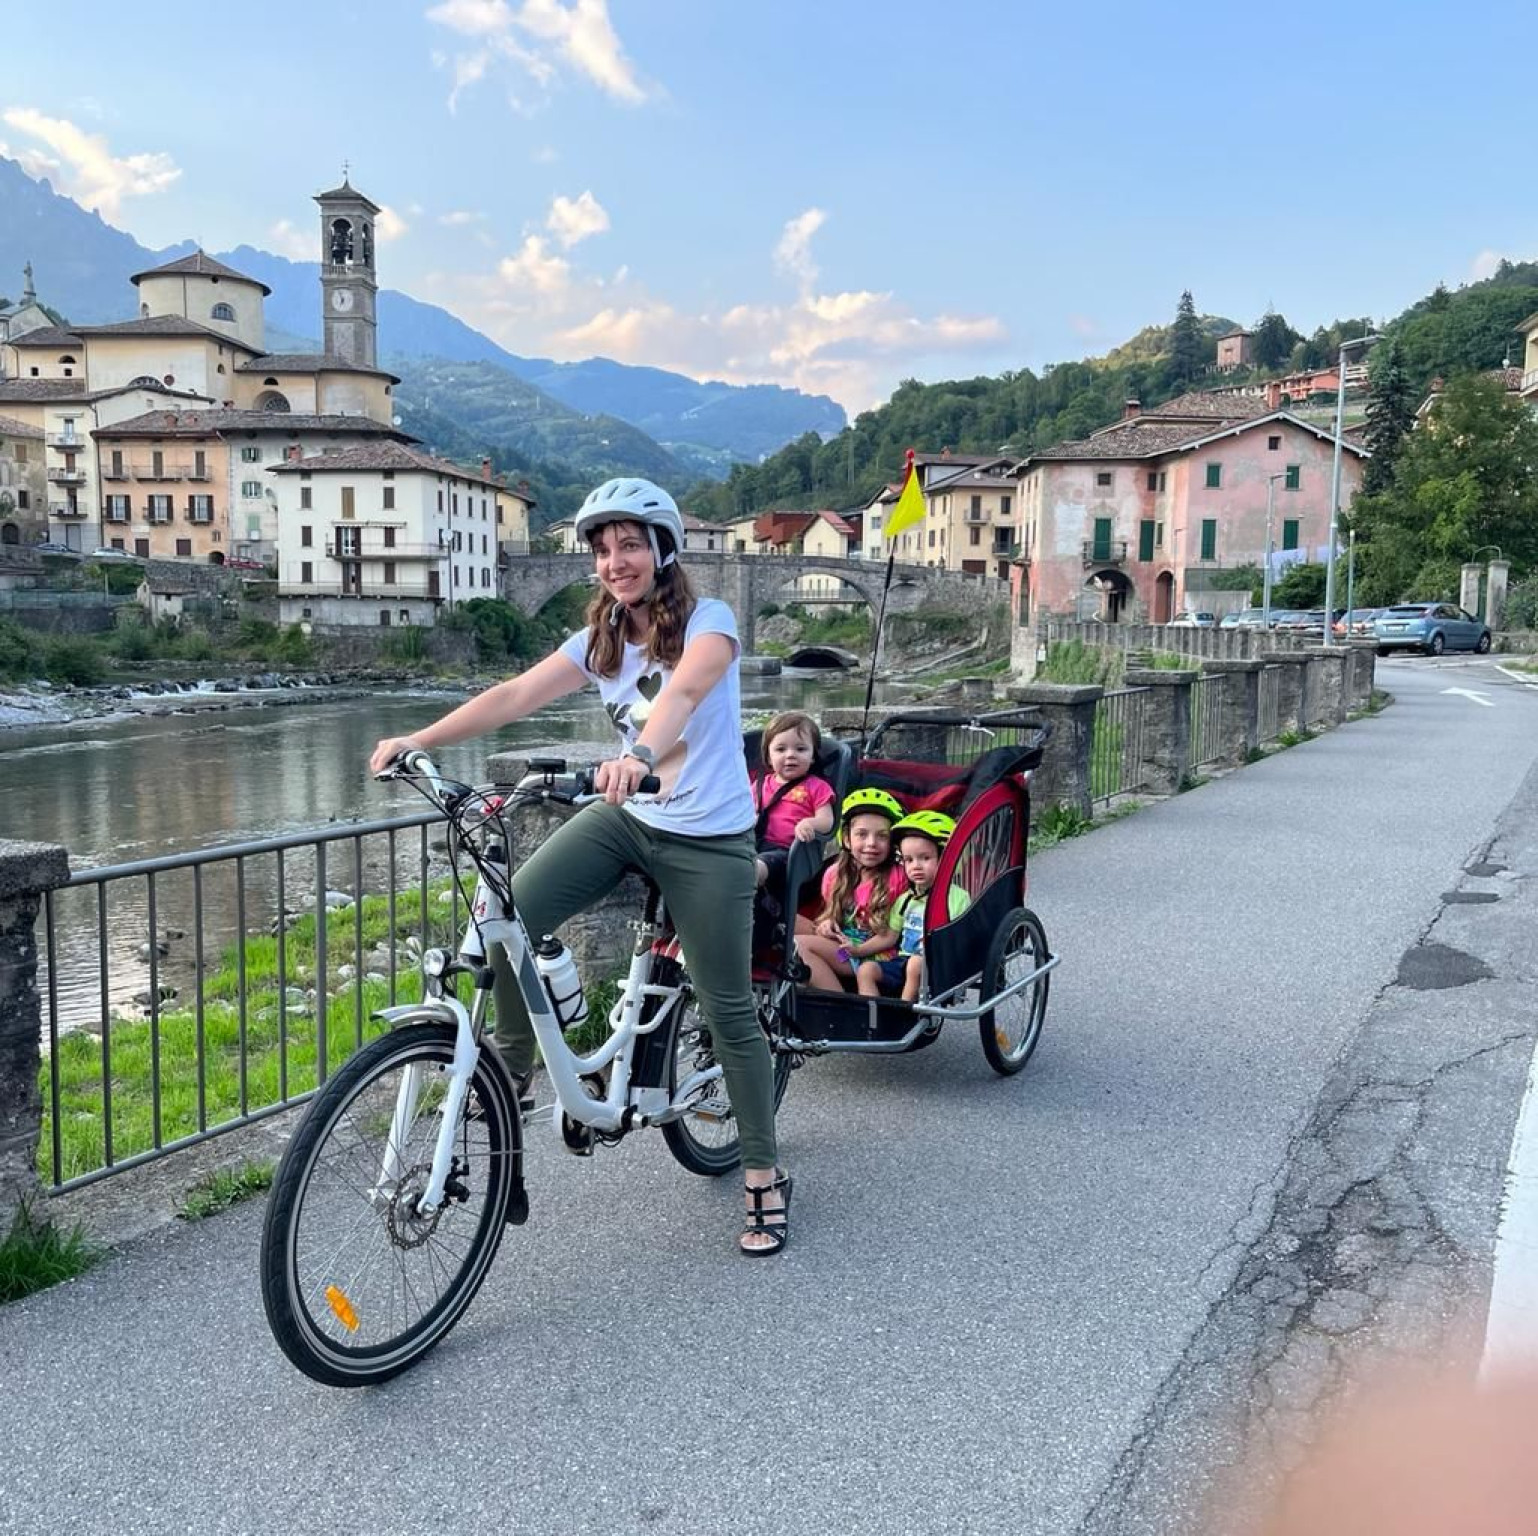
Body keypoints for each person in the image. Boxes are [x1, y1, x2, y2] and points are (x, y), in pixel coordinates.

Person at [369, 477, 791, 1257]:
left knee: (729, 1007)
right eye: (602, 549)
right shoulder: (598, 640)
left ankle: (764, 1173)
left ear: (662, 549)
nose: (614, 561)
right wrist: (419, 740)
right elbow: (515, 693)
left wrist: (634, 753)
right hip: (629, 819)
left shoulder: (711, 619)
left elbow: (688, 692)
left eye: (629, 544)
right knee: (504, 918)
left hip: (708, 837)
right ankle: (511, 1095)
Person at [794, 788, 906, 991]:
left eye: (882, 836)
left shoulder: (898, 877)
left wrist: (857, 950)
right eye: (861, 834)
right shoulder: (834, 874)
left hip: (872, 954)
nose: (871, 843)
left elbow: (892, 936)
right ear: (846, 838)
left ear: (892, 842)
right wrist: (826, 924)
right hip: (845, 945)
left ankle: (839, 1006)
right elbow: (832, 916)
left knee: (799, 945)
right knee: (789, 923)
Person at [856, 811, 970, 1001]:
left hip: (936, 966)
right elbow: (889, 937)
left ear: (945, 859)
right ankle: (871, 1018)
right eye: (909, 860)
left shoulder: (957, 897)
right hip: (903, 961)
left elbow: (960, 938)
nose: (915, 866)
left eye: (925, 858)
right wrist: (858, 950)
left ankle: (904, 1014)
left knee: (916, 964)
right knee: (866, 970)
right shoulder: (905, 900)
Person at [752, 709, 837, 891]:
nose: (790, 755)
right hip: (755, 844)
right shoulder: (759, 785)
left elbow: (827, 821)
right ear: (768, 756)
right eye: (781, 749)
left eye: (800, 749)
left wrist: (810, 823)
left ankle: (749, 875)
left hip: (791, 853)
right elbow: (745, 812)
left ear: (813, 755)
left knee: (759, 864)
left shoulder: (817, 786)